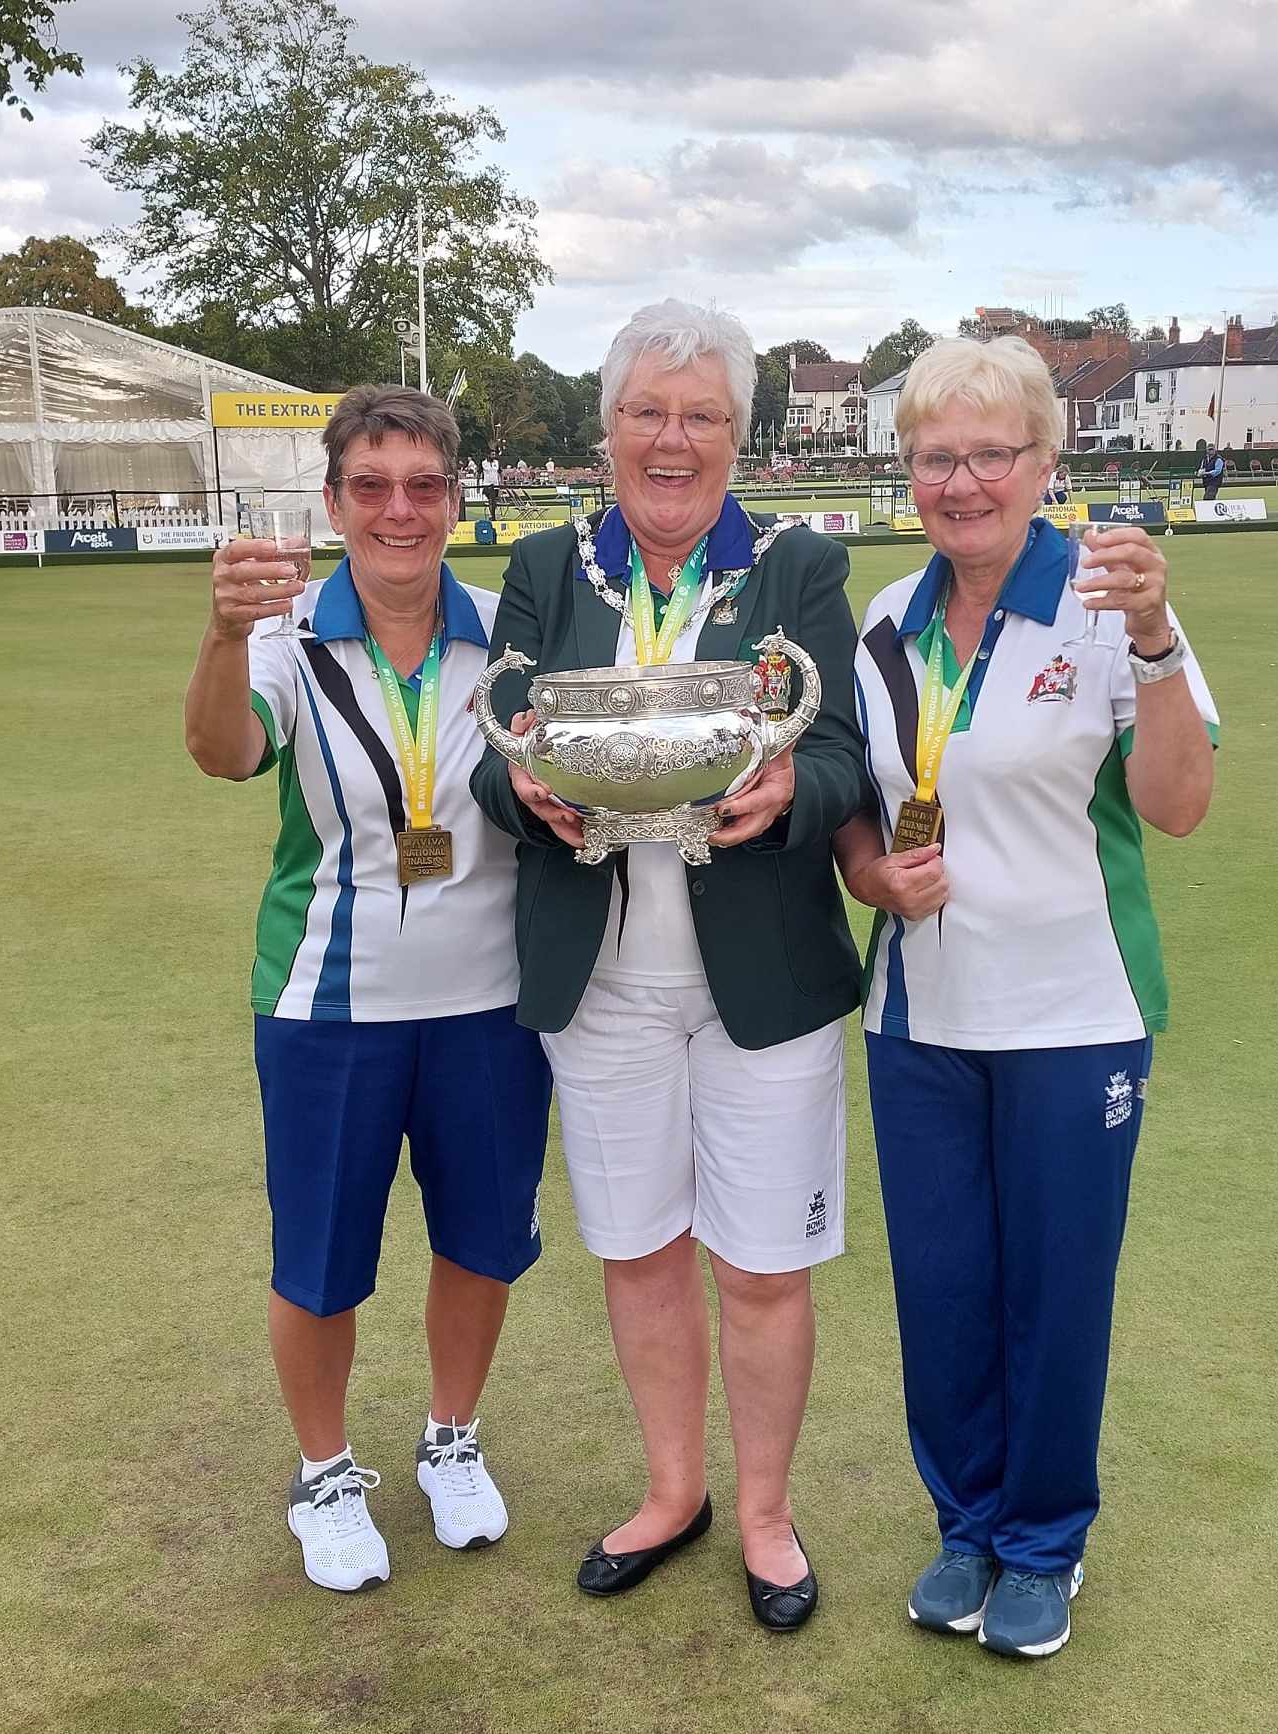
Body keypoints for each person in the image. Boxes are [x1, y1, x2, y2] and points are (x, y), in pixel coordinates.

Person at [470, 299, 865, 1631]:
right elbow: (498, 735)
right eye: (647, 410)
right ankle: (671, 1488)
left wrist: (784, 797)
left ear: (738, 435)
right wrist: (525, 789)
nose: (672, 438)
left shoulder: (798, 565)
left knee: (759, 1264)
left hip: (763, 974)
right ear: (607, 430)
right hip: (604, 981)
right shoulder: (541, 563)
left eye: (700, 414)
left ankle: (762, 1513)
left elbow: (843, 749)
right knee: (638, 1252)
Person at [835, 336, 1218, 1660]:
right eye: (935, 455)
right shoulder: (879, 619)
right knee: (942, 1287)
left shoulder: (1112, 602)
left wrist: (1160, 644)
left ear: (1045, 464)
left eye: (989, 453)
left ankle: (1044, 1540)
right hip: (919, 1020)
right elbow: (850, 805)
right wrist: (871, 874)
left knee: (1053, 1289)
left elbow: (1176, 803)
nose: (961, 481)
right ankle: (967, 1524)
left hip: (1072, 1017)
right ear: (908, 472)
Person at [184, 385, 550, 1594]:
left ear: (457, 497)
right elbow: (223, 752)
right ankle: (325, 1473)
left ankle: (450, 1438)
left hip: (490, 1004)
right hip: (328, 1006)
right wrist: (223, 635)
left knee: (482, 1244)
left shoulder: (508, 635)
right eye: (373, 487)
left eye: (425, 486)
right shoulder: (285, 636)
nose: (401, 510)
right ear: (333, 502)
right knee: (321, 1260)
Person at [480, 452, 501, 521]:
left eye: (494, 454)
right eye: (492, 454)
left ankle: (493, 514)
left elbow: (499, 472)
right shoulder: (483, 463)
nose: (494, 456)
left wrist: (501, 483)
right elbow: (481, 472)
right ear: (488, 455)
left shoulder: (497, 462)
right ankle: (492, 515)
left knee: (494, 500)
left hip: (495, 484)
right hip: (487, 484)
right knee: (491, 500)